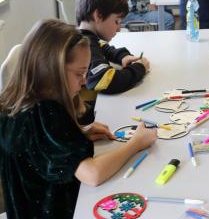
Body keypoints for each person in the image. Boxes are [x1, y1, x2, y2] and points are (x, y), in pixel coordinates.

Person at [0, 19, 157, 219]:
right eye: (79, 74)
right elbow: (92, 174)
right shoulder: (45, 111)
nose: (84, 82)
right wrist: (136, 143)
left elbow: (38, 147)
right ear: (51, 69)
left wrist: (79, 132)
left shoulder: (14, 101)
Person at [76, 0, 150, 121]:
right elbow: (107, 81)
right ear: (98, 15)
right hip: (85, 118)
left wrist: (122, 57)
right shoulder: (84, 47)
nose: (119, 28)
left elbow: (105, 48)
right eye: (116, 21)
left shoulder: (85, 37)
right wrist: (139, 68)